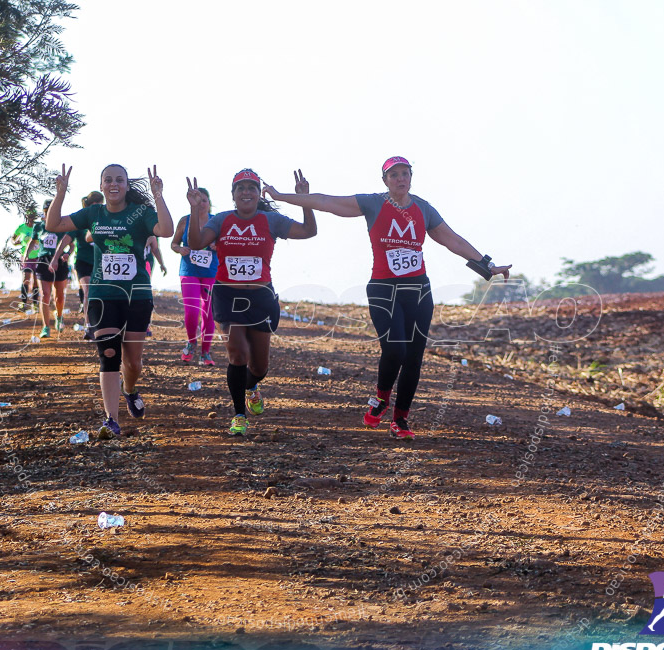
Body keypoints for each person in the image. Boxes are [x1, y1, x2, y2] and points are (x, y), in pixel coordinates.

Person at [264, 158, 510, 440]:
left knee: (414, 357)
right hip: (383, 288)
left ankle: (401, 419)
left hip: (418, 289)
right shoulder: (373, 203)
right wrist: (282, 196)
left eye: (405, 174)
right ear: (385, 180)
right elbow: (327, 202)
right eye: (394, 175)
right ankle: (381, 397)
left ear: (411, 178)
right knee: (395, 351)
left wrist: (487, 265)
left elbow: (452, 240)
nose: (400, 179)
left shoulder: (423, 208)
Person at [46, 164, 173, 438]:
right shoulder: (94, 213)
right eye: (108, 180)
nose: (114, 184)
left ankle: (130, 390)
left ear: (127, 185)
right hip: (103, 296)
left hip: (137, 294)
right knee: (109, 355)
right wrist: (60, 194)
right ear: (101, 186)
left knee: (134, 363)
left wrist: (158, 195)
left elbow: (166, 230)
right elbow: (53, 225)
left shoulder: (140, 213)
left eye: (119, 180)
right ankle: (111, 419)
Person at [186, 169, 316, 436]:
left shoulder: (271, 220)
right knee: (237, 355)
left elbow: (308, 231)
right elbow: (196, 242)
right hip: (227, 295)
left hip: (260, 297)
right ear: (233, 195)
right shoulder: (222, 220)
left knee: (259, 367)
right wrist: (194, 210)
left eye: (251, 188)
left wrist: (306, 200)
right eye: (240, 188)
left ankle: (252, 388)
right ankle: (238, 415)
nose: (246, 192)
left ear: (258, 194)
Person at [170, 187, 218, 365]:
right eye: (198, 200)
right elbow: (173, 244)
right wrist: (180, 249)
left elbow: (226, 244)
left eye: (204, 200)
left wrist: (217, 246)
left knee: (209, 313)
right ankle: (191, 342)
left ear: (209, 203)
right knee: (191, 311)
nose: (201, 204)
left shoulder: (217, 222)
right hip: (189, 271)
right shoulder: (185, 221)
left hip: (212, 272)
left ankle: (206, 352)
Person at [27, 199, 72, 338]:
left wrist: (67, 254)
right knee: (44, 294)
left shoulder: (64, 225)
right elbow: (32, 241)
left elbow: (72, 244)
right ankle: (46, 326)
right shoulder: (39, 226)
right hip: (43, 261)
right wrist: (25, 256)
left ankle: (59, 316)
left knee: (59, 296)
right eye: (47, 211)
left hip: (59, 262)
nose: (49, 213)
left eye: (52, 210)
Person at [56, 191, 104, 316]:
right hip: (83, 262)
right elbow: (66, 240)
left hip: (100, 264)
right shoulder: (81, 222)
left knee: (99, 294)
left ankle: (98, 319)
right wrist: (55, 258)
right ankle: (88, 325)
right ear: (94, 204)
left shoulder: (105, 221)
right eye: (101, 204)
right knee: (88, 291)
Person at [11, 208, 40, 309]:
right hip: (26, 257)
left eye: (33, 218)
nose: (31, 220)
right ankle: (23, 302)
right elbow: (13, 237)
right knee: (25, 279)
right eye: (29, 217)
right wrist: (15, 242)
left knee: (36, 280)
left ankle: (35, 303)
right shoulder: (21, 227)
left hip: (37, 257)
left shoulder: (38, 227)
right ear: (26, 217)